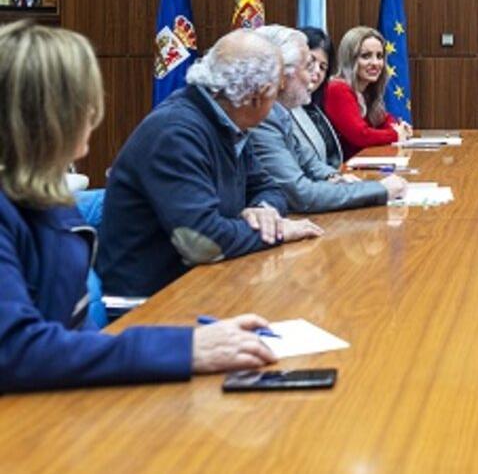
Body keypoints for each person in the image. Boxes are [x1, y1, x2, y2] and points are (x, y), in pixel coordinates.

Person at [0, 20, 275, 393]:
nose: (94, 113)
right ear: (51, 116)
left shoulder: (44, 195)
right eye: (86, 100)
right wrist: (184, 347)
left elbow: (69, 329)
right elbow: (15, 350)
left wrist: (199, 340)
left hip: (65, 395)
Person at [98, 29, 324, 297]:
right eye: (276, 93)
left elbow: (269, 188)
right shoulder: (176, 133)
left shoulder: (228, 120)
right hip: (148, 303)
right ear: (257, 96)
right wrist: (277, 232)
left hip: (204, 284)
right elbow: (202, 242)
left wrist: (261, 210)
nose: (277, 102)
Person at [249, 26, 407, 213]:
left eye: (321, 67)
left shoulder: (281, 111)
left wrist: (334, 177)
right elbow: (300, 193)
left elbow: (308, 162)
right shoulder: (262, 116)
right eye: (308, 66)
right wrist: (378, 190)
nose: (314, 76)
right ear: (281, 74)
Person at [324, 26, 413, 157]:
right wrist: (396, 134)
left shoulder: (366, 90)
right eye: (366, 56)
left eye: (379, 56)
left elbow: (384, 120)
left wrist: (398, 128)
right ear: (350, 59)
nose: (375, 63)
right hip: (344, 171)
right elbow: (361, 135)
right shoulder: (337, 89)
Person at [291, 27, 343, 168]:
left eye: (323, 67)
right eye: (311, 62)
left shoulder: (314, 109)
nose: (316, 71)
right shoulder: (280, 109)